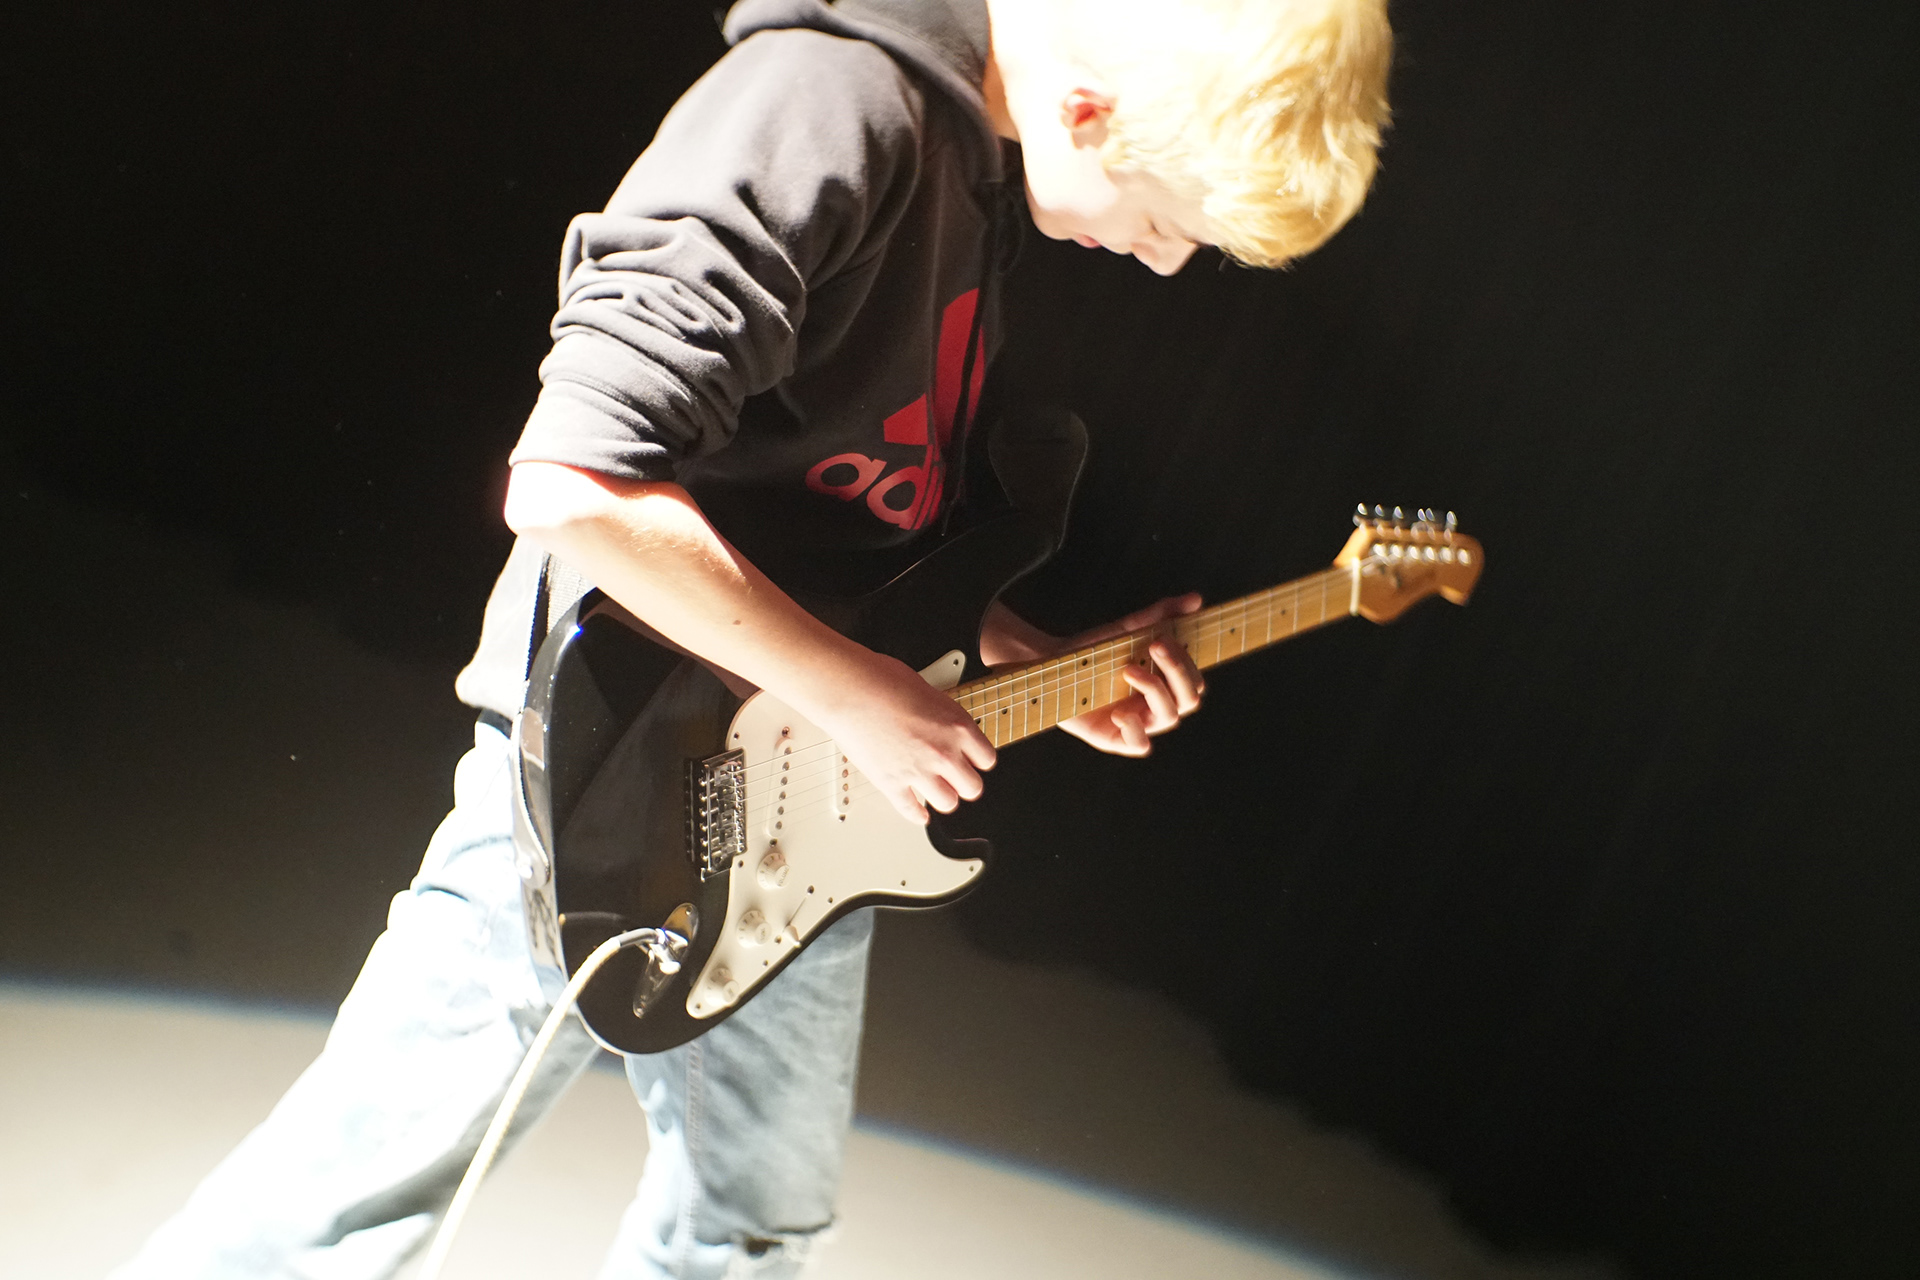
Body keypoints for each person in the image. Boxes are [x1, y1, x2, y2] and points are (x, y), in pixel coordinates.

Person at [111, 0, 1392, 1276]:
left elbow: (841, 526)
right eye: (1169, 222)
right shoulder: (833, 108)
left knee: (750, 1232)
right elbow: (573, 485)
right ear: (1090, 111)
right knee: (345, 1203)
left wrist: (1025, 656)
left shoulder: (973, 162)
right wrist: (857, 696)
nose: (1161, 262)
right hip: (614, 759)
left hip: (804, 799)